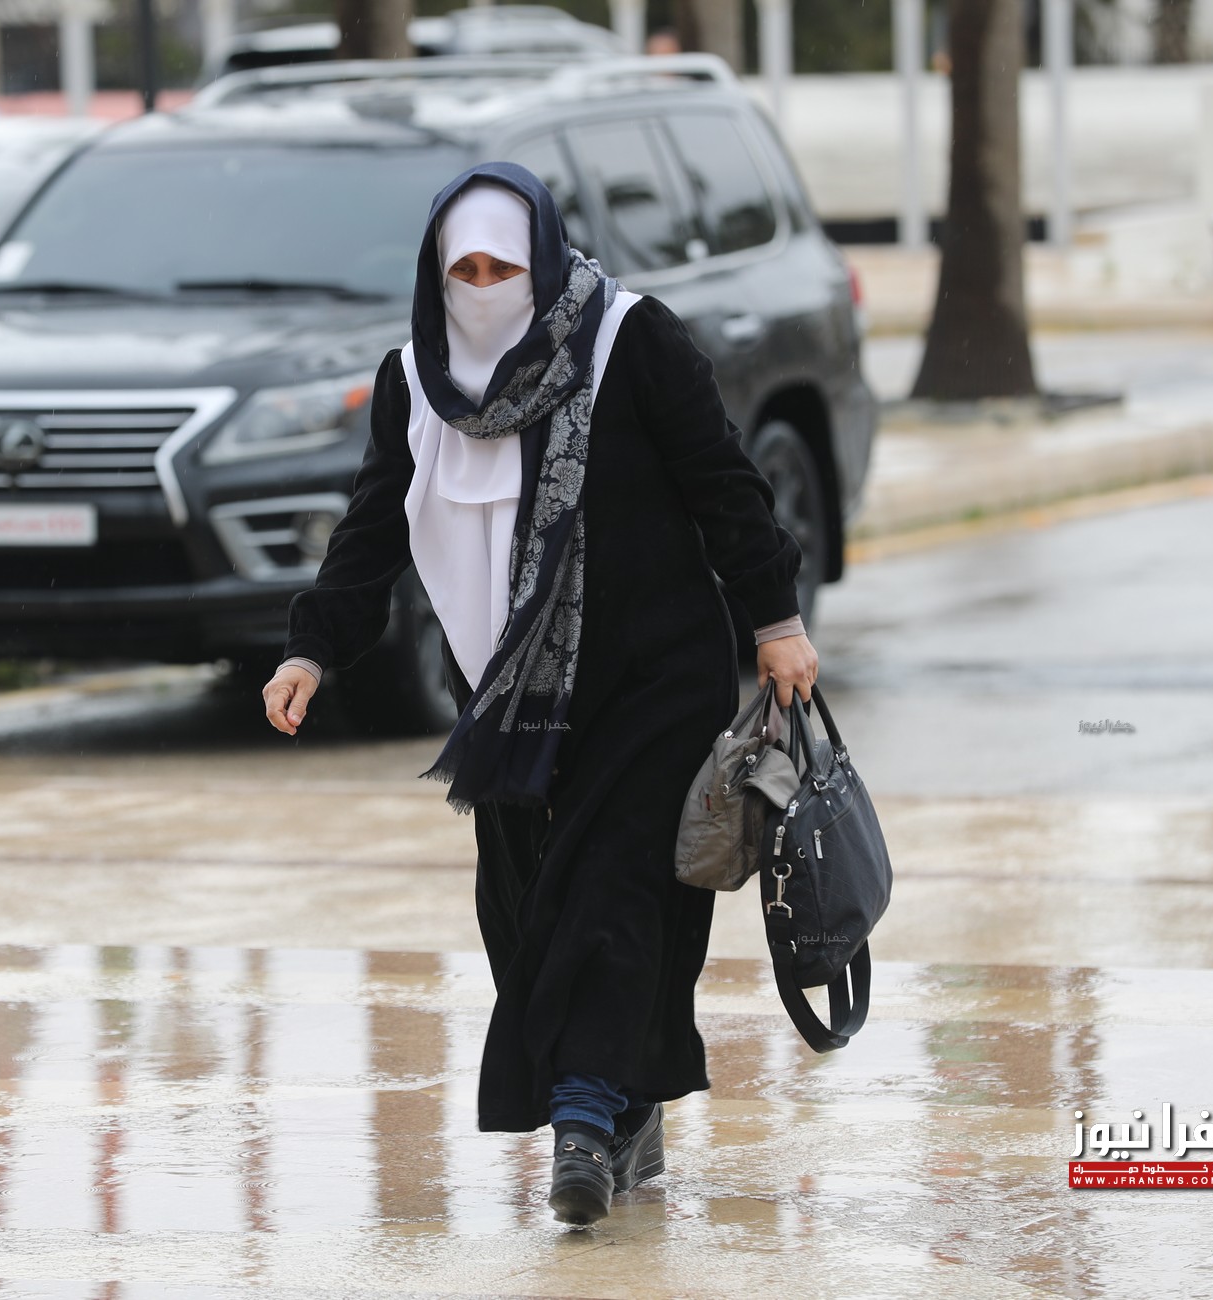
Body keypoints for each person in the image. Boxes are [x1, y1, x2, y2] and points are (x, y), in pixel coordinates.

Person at [260, 163, 818, 1227]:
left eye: (502, 269)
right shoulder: (417, 380)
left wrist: (774, 620)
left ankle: (582, 1122)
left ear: (545, 262)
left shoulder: (629, 340)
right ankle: (627, 1096)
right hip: (508, 691)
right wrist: (311, 652)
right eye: (463, 271)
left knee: (611, 888)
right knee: (522, 908)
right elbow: (373, 526)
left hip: (652, 671)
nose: (483, 289)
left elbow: (723, 482)